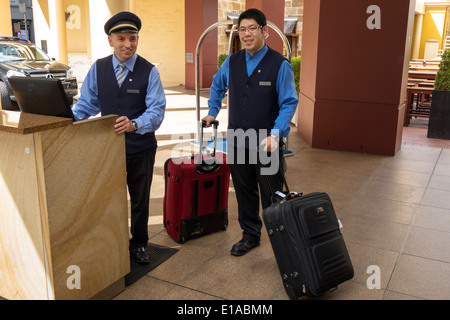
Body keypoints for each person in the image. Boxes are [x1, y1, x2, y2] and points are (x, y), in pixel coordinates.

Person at [72, 11, 166, 264]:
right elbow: (87, 105)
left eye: (133, 38)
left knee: (139, 199)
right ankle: (112, 241)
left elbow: (157, 111)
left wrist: (135, 124)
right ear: (110, 40)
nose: (128, 44)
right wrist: (65, 118)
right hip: (108, 148)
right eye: (122, 38)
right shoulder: (99, 68)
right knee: (109, 198)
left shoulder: (149, 71)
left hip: (141, 147)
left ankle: (139, 244)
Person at [202, 8, 298, 256]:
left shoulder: (280, 65)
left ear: (264, 31)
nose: (246, 34)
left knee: (271, 194)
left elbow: (289, 102)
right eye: (242, 29)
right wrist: (213, 111)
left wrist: (276, 134)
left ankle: (283, 241)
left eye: (252, 28)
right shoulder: (231, 62)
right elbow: (217, 85)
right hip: (237, 139)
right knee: (244, 191)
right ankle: (250, 236)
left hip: (266, 141)